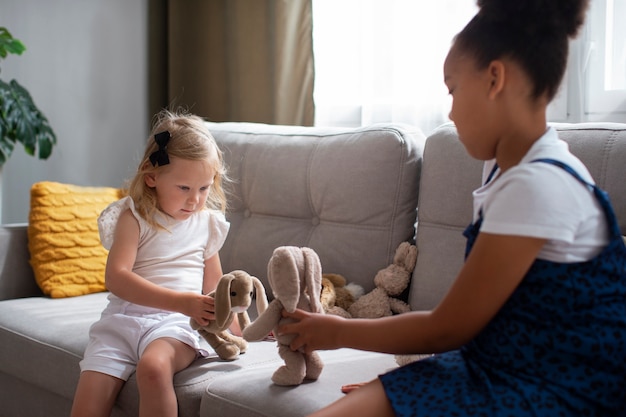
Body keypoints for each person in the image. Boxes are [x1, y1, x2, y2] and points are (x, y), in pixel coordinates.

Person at [279, 1, 626, 416]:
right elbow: (497, 324)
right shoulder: (506, 169)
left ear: (494, 79)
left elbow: (447, 327)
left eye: (453, 89)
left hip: (564, 387)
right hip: (508, 364)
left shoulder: (536, 185)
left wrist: (340, 331)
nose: (450, 111)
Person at [70, 110, 231, 417]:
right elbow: (117, 278)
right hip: (120, 323)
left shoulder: (207, 224)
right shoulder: (134, 216)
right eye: (184, 188)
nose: (195, 200)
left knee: (154, 368)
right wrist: (182, 300)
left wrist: (245, 326)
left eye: (204, 188)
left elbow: (215, 290)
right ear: (152, 176)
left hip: (174, 325)